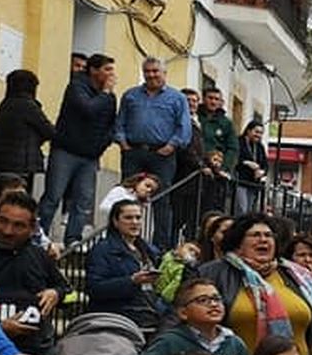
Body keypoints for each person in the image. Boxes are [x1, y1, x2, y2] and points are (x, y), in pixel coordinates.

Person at [199, 214, 312, 355]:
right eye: (255, 235)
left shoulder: (294, 274)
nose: (263, 240)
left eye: (268, 235)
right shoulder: (213, 273)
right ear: (238, 243)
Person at [122, 277, 251, 355]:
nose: (213, 304)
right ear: (183, 312)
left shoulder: (235, 344)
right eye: (203, 300)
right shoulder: (170, 342)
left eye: (217, 299)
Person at [40, 52, 117, 245]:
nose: (111, 75)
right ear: (94, 70)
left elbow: (111, 124)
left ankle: (73, 239)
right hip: (66, 151)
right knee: (53, 197)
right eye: (107, 70)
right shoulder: (77, 87)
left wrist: (102, 144)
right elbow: (87, 109)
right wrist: (105, 93)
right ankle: (38, 235)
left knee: (83, 201)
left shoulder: (110, 97)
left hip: (90, 156)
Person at [114, 58, 191, 245]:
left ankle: (159, 246)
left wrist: (171, 146)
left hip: (162, 155)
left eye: (155, 71)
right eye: (147, 71)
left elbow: (184, 127)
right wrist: (122, 142)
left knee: (162, 200)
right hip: (133, 152)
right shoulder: (130, 95)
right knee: (126, 198)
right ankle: (121, 239)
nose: (151, 75)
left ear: (164, 73)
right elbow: (120, 121)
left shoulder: (177, 98)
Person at [0, 191, 66, 355]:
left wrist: (56, 293)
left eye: (18, 225)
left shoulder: (40, 256)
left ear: (32, 229)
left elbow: (70, 293)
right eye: (3, 221)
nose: (7, 231)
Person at [85, 200, 167, 330]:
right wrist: (131, 281)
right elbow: (94, 288)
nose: (134, 222)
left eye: (138, 218)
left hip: (150, 316)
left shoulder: (149, 250)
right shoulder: (103, 250)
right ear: (115, 222)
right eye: (128, 218)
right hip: (119, 320)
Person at [0, 70, 55, 194]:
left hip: (3, 160)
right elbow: (49, 130)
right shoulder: (28, 105)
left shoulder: (5, 104)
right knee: (20, 198)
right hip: (23, 162)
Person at [198, 88, 237, 182]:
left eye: (216, 99)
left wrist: (223, 166)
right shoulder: (195, 116)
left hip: (216, 170)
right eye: (210, 98)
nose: (213, 102)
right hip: (196, 166)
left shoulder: (226, 123)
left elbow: (233, 147)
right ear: (203, 99)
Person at [233, 121, 269, 215]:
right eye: (256, 132)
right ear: (248, 130)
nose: (258, 135)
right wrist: (246, 163)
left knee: (249, 211)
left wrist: (262, 172)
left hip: (253, 183)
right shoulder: (239, 142)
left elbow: (265, 164)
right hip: (240, 180)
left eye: (261, 133)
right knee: (241, 208)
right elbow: (234, 158)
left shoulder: (260, 147)